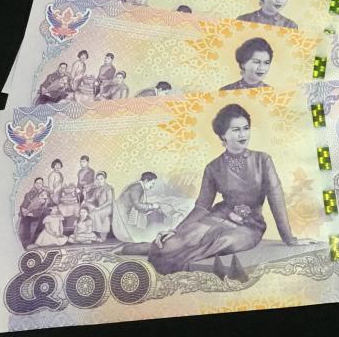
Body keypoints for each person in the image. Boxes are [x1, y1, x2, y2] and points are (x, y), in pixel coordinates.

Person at [121, 104, 315, 274]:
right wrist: (177, 230)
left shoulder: (262, 160)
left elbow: (276, 198)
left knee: (224, 242)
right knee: (170, 243)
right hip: (217, 216)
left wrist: (289, 238)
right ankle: (133, 248)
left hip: (250, 225)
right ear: (223, 135)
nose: (243, 135)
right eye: (236, 130)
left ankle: (174, 257)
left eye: (246, 128)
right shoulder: (213, 167)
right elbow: (202, 206)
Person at [113, 172, 165, 242]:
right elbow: (137, 205)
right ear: (146, 181)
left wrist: (151, 206)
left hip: (124, 213)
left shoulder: (138, 186)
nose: (152, 186)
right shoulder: (137, 187)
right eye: (152, 183)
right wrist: (152, 206)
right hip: (121, 214)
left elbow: (138, 204)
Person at [18, 178, 50, 248]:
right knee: (25, 220)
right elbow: (24, 205)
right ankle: (26, 243)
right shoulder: (28, 194)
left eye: (40, 183)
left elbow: (45, 206)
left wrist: (34, 213)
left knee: (43, 218)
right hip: (29, 214)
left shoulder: (45, 194)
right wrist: (25, 211)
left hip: (39, 214)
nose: (38, 185)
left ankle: (34, 242)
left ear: (42, 184)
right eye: (37, 183)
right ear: (34, 184)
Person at [85, 171, 114, 242]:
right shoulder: (97, 189)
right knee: (90, 214)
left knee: (95, 214)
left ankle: (99, 234)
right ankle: (94, 235)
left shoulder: (108, 188)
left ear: (105, 179)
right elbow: (92, 199)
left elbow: (109, 201)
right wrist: (85, 196)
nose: (99, 180)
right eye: (98, 179)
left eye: (101, 179)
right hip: (99, 208)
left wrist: (99, 208)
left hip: (108, 207)